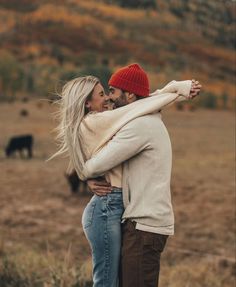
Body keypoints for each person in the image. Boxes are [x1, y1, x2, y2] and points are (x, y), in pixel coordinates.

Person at [52, 64, 201, 287]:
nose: (109, 98)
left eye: (111, 91)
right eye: (104, 93)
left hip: (143, 223)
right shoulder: (116, 119)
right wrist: (176, 89)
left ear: (129, 94)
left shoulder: (139, 125)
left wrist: (177, 89)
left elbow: (145, 102)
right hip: (128, 218)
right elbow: (145, 102)